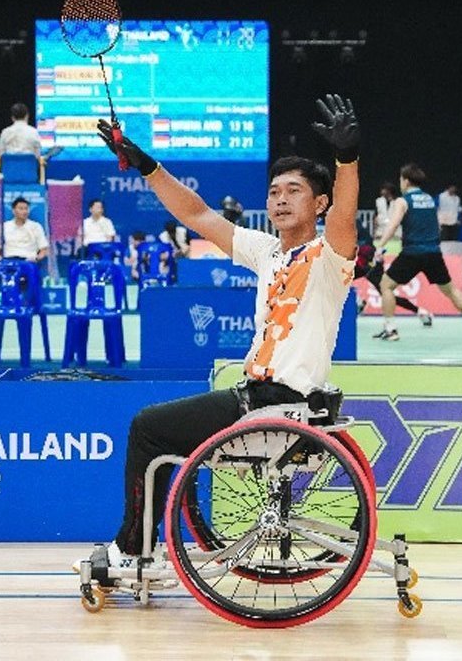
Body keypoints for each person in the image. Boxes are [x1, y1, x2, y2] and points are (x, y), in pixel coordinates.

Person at [81, 95, 360, 568]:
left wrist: (346, 159)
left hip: (281, 402)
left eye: (294, 191)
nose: (280, 199)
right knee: (159, 432)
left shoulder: (330, 260)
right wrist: (145, 164)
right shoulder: (267, 252)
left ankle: (132, 550)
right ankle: (141, 546)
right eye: (274, 191)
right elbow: (197, 215)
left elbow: (345, 218)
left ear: (319, 203)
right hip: (257, 399)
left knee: (148, 427)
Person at [374, 163, 462, 341]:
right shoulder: (429, 199)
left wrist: (380, 246)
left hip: (412, 252)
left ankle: (391, 329)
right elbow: (436, 225)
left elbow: (393, 225)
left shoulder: (402, 201)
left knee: (386, 285)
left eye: (401, 180)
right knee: (451, 290)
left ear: (406, 181)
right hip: (433, 253)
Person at [0, 197, 49, 262]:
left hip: (28, 261)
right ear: (13, 211)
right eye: (21, 209)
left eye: (26, 209)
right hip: (8, 260)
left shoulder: (36, 226)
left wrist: (36, 258)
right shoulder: (5, 226)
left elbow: (44, 249)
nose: (24, 211)